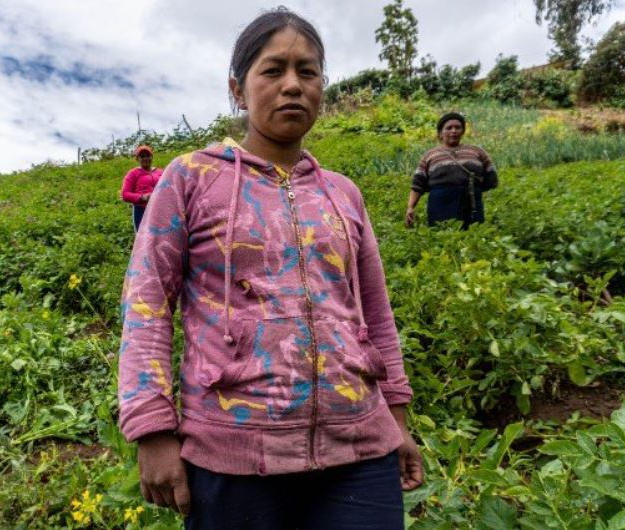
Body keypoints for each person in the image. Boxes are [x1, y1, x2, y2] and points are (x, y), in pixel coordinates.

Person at [118, 8, 422, 529]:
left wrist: (396, 416)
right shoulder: (190, 178)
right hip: (232, 455)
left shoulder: (343, 193)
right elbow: (147, 303)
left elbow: (374, 311)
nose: (292, 86)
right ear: (238, 89)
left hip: (359, 449)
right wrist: (151, 427)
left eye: (307, 72)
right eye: (273, 70)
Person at [406, 112, 498, 229]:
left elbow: (492, 178)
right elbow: (417, 184)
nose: (454, 131)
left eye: (458, 127)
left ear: (463, 131)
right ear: (440, 133)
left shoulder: (477, 152)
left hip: (472, 204)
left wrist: (473, 189)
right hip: (440, 204)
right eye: (449, 128)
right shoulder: (430, 155)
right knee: (442, 236)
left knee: (473, 237)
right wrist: (410, 207)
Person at [120, 145, 163, 231]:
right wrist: (142, 197)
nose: (145, 158)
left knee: (161, 235)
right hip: (141, 210)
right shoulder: (133, 173)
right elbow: (125, 194)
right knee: (142, 237)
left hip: (160, 208)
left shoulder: (160, 172)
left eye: (148, 156)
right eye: (142, 156)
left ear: (152, 157)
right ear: (137, 159)